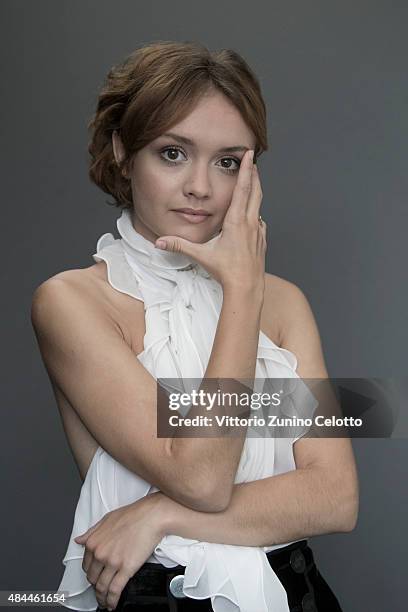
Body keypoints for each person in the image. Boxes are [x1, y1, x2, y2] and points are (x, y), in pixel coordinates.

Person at [31, 41, 359, 612]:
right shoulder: (74, 303)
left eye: (228, 161)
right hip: (160, 594)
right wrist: (243, 292)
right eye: (173, 153)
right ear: (122, 150)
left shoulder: (285, 304)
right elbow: (202, 475)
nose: (202, 188)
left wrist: (159, 514)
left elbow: (336, 497)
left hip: (295, 590)